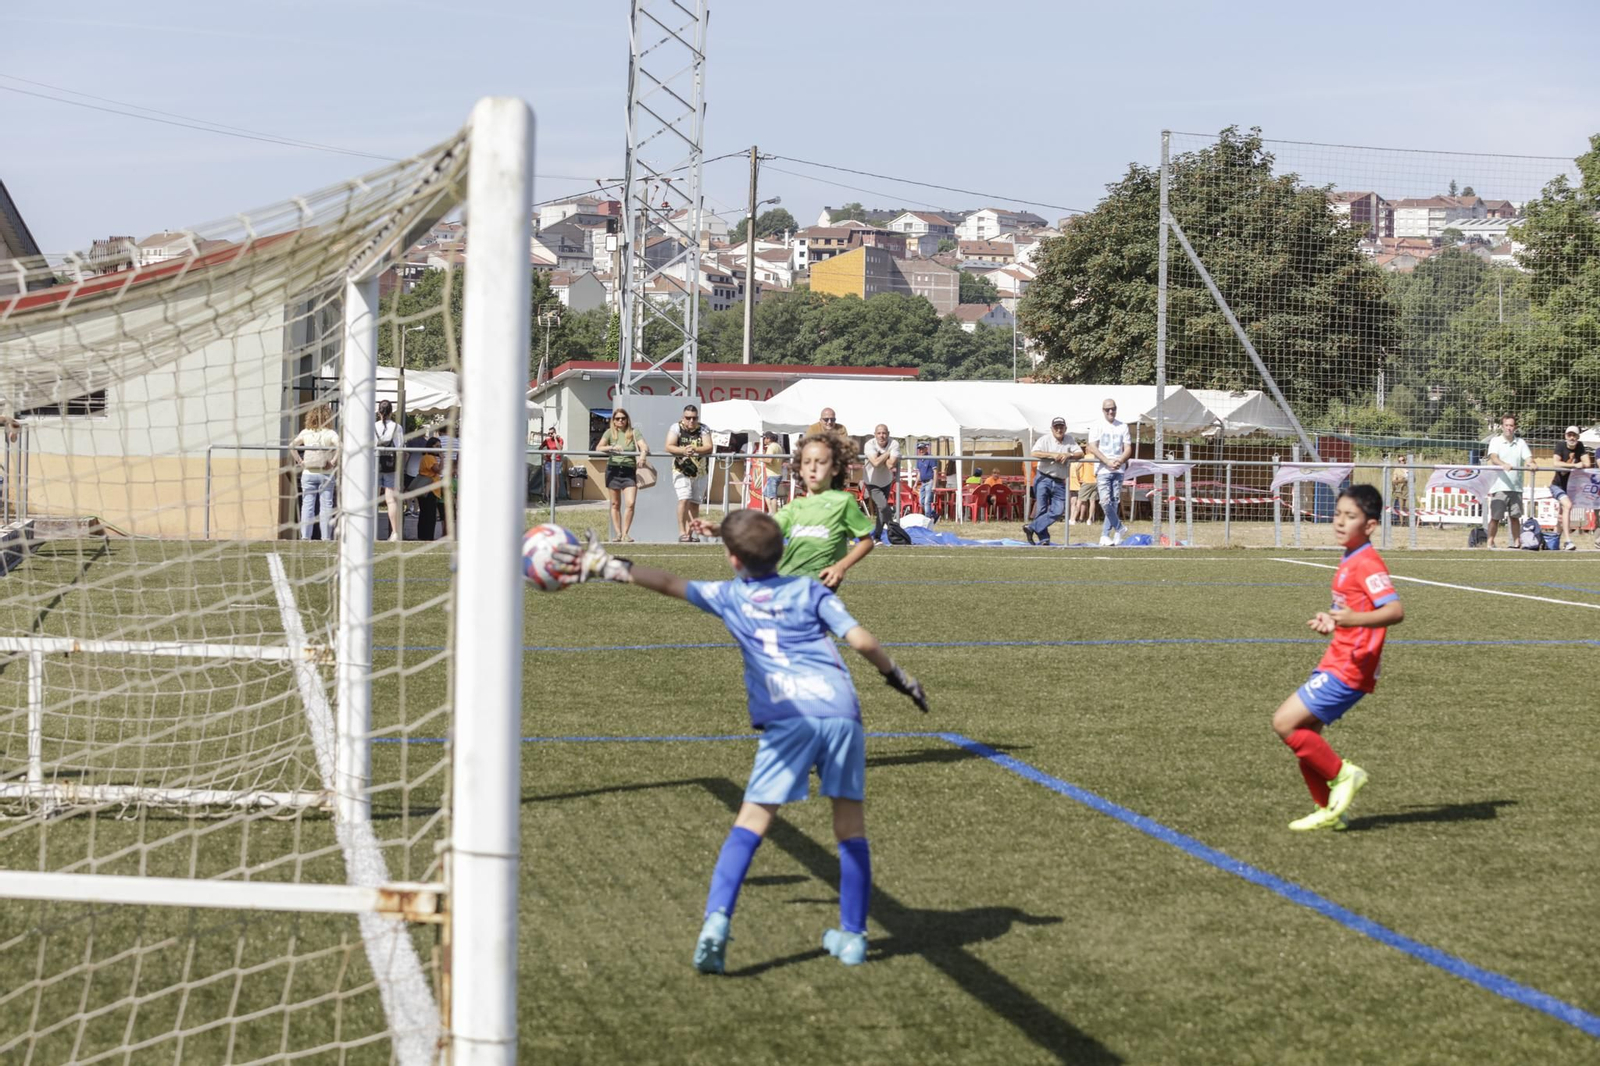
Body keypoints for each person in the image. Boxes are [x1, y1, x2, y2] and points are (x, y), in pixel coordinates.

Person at [553, 509, 928, 973]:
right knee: (850, 829)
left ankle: (716, 923)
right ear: (783, 552)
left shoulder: (729, 596)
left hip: (790, 718)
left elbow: (669, 582)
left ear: (732, 560)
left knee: (752, 822)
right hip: (840, 711)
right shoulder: (809, 589)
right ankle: (852, 936)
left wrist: (610, 567)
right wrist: (899, 679)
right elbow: (862, 641)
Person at [1270, 484, 1402, 832]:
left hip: (1351, 665)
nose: (1340, 522)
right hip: (1337, 658)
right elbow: (1348, 609)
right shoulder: (1349, 557)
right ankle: (1329, 810)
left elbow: (1394, 610)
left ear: (1370, 525)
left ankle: (1345, 774)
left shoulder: (1367, 563)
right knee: (1305, 733)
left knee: (1284, 723)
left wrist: (1352, 620)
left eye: (1351, 517)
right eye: (1338, 514)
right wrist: (1331, 620)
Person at [695, 430, 874, 588]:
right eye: (807, 462)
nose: (813, 467)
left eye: (820, 462)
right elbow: (763, 529)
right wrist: (720, 530)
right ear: (800, 469)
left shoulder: (842, 502)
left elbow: (866, 541)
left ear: (835, 468)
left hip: (818, 585)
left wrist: (840, 566)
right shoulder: (796, 506)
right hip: (787, 581)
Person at [1024, 416, 1082, 546]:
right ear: (1051, 429)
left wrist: (1069, 455)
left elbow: (1080, 453)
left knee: (1058, 510)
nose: (1059, 429)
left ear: (1065, 428)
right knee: (1042, 509)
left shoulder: (1070, 440)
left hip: (1060, 480)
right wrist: (1052, 455)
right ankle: (1044, 539)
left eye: (1061, 427)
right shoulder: (1044, 439)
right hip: (1043, 477)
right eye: (1056, 427)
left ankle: (1032, 527)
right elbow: (1034, 453)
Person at [1085, 398, 1132, 546]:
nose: (1111, 411)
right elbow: (1092, 446)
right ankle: (1119, 527)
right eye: (1107, 409)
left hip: (1118, 470)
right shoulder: (1097, 426)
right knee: (1105, 502)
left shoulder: (1123, 426)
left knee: (1114, 502)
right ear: (1103, 410)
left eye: (1113, 408)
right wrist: (1106, 461)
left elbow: (1128, 448)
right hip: (1103, 469)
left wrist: (1120, 460)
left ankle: (1105, 535)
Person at [665, 404, 714, 542]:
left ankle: (689, 533)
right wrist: (683, 451)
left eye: (694, 418)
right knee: (684, 499)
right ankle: (682, 532)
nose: (691, 421)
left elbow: (709, 447)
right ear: (683, 417)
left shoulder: (704, 428)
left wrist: (695, 449)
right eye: (688, 418)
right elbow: (668, 446)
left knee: (694, 503)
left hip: (701, 471)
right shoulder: (676, 427)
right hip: (681, 470)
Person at [598, 409, 647, 543]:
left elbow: (644, 446)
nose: (620, 421)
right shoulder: (609, 433)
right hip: (613, 470)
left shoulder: (634, 432)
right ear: (613, 420)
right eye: (618, 418)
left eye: (623, 418)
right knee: (615, 504)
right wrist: (611, 448)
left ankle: (626, 533)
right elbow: (599, 447)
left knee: (630, 503)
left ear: (627, 419)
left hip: (629, 471)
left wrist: (642, 455)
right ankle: (618, 533)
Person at [1485, 414, 1534, 549]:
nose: (1509, 428)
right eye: (1506, 425)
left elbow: (1528, 458)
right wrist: (1503, 464)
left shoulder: (1520, 443)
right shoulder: (1496, 441)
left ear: (1515, 427)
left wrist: (1531, 463)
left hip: (1516, 487)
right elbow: (1493, 457)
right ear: (1502, 426)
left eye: (1511, 425)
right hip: (1499, 487)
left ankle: (1517, 542)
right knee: (1495, 517)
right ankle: (1490, 542)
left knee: (1515, 517)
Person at [291, 404, 339, 541]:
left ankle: (305, 536)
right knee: (326, 506)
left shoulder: (305, 432)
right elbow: (340, 446)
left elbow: (291, 446)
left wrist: (300, 462)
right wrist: (333, 461)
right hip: (326, 473)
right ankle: (325, 537)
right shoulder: (330, 433)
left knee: (307, 505)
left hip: (308, 473)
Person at [1549, 426, 1591, 551]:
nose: (1572, 438)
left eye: (1574, 435)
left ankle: (1553, 542)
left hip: (1571, 487)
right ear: (1565, 436)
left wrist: (1581, 464)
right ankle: (1568, 541)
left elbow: (1587, 463)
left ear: (1578, 437)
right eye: (1569, 435)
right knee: (1567, 506)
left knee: (1562, 515)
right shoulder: (1560, 445)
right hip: (1557, 485)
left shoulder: (1580, 446)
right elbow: (1556, 463)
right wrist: (1574, 465)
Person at [861, 424, 900, 542]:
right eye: (879, 433)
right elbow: (875, 463)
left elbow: (890, 464)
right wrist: (887, 454)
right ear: (875, 434)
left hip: (886, 481)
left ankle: (877, 537)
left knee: (881, 511)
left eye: (884, 433)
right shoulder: (869, 444)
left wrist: (881, 456)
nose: (881, 436)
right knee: (883, 506)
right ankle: (894, 530)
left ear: (888, 434)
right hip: (871, 481)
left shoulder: (894, 443)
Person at [403, 424, 442, 541]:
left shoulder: (426, 457)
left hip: (425, 487)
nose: (439, 449)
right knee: (429, 515)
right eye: (437, 446)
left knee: (425, 514)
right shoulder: (430, 458)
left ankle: (423, 535)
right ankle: (427, 536)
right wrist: (443, 458)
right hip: (429, 489)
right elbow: (438, 470)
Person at [374, 400, 403, 542]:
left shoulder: (373, 426)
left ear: (379, 412)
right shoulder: (397, 427)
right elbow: (400, 447)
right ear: (391, 412)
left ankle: (371, 531)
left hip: (374, 464)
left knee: (372, 499)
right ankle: (395, 532)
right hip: (391, 465)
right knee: (391, 500)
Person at [758, 431, 786, 511]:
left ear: (768, 439)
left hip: (773, 475)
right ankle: (771, 512)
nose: (763, 439)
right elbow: (782, 459)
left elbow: (769, 460)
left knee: (772, 496)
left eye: (765, 438)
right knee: (766, 494)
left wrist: (760, 458)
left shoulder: (771, 447)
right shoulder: (778, 446)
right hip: (776, 473)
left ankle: (774, 514)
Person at [539, 426, 567, 502]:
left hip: (557, 462)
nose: (550, 435)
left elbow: (560, 449)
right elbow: (540, 448)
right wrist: (544, 455)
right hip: (549, 461)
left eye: (552, 433)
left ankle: (556, 496)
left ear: (555, 433)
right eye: (549, 433)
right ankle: (546, 496)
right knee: (548, 479)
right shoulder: (547, 440)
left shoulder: (560, 440)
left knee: (556, 479)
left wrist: (555, 439)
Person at [913, 441, 939, 519]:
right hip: (923, 483)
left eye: (922, 449)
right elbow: (919, 473)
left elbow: (935, 471)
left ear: (926, 449)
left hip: (929, 482)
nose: (921, 450)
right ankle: (933, 513)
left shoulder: (930, 458)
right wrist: (915, 484)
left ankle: (927, 518)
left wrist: (934, 485)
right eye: (919, 449)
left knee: (927, 501)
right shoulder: (919, 459)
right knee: (921, 501)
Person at [1071, 458, 1099, 525]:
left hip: (1086, 481)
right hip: (1095, 482)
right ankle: (1089, 519)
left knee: (1079, 500)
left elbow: (1077, 468)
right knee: (1092, 501)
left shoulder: (1085, 458)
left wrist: (1079, 478)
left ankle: (1073, 519)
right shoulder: (1097, 458)